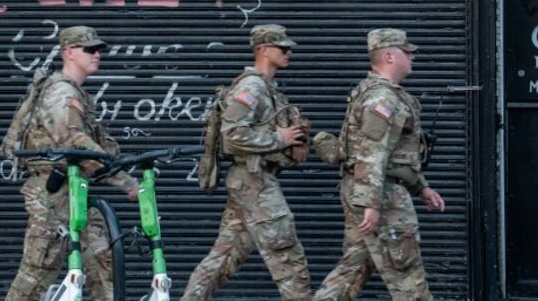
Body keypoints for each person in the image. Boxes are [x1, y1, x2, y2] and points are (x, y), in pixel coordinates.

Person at [5, 25, 138, 301]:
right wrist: (126, 182)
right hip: (52, 195)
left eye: (98, 50)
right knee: (37, 273)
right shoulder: (61, 93)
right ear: (69, 52)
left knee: (103, 263)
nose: (97, 55)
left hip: (75, 191)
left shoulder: (76, 94)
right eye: (89, 49)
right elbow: (76, 143)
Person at [180, 23, 312, 301]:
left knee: (224, 257)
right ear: (263, 49)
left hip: (251, 181)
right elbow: (232, 136)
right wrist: (279, 139)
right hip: (254, 182)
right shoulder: (252, 86)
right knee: (288, 257)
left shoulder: (266, 87)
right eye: (282, 47)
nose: (288, 52)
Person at [311, 28, 445, 301]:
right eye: (406, 52)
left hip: (370, 187)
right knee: (407, 274)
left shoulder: (380, 93)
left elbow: (394, 153)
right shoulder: (382, 99)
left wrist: (421, 187)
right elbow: (373, 152)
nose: (412, 57)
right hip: (380, 193)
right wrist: (370, 203)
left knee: (355, 266)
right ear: (389, 56)